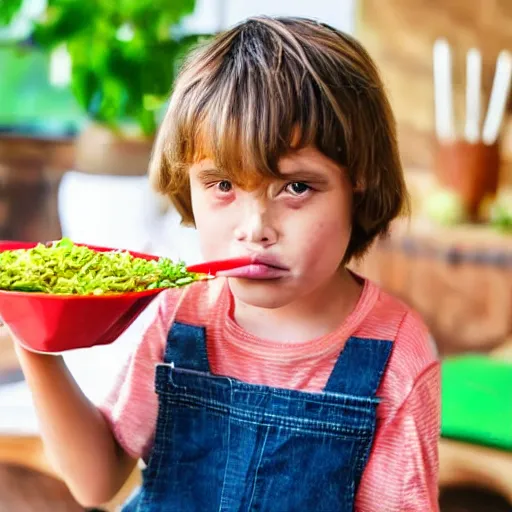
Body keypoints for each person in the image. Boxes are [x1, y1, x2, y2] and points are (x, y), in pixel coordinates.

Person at [12, 16, 440, 511]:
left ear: (358, 183)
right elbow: (96, 480)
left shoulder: (394, 354)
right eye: (223, 186)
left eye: (296, 187)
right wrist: (34, 338)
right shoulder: (182, 313)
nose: (255, 227)